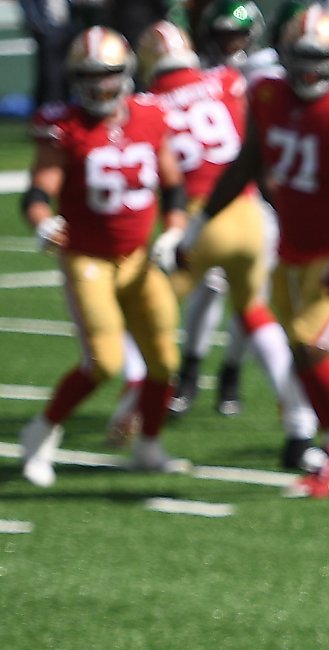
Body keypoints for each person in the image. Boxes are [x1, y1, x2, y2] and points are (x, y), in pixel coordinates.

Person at [185, 4, 329, 496]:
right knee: (301, 352)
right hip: (292, 243)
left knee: (309, 344)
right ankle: (326, 440)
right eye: (300, 56)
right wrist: (198, 224)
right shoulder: (266, 93)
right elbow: (248, 160)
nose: (309, 68)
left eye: (319, 57)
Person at [16, 28, 189, 489]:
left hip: (137, 256)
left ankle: (149, 446)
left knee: (164, 359)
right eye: (89, 76)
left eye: (108, 75)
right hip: (87, 258)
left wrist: (172, 234)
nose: (98, 86)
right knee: (105, 362)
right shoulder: (65, 126)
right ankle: (40, 431)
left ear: (127, 73)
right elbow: (38, 192)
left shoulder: (150, 116)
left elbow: (173, 184)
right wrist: (42, 222)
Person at [140, 19, 315, 468]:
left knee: (139, 315)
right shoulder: (226, 82)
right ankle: (299, 420)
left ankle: (138, 412)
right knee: (257, 313)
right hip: (254, 214)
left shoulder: (147, 105)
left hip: (201, 219)